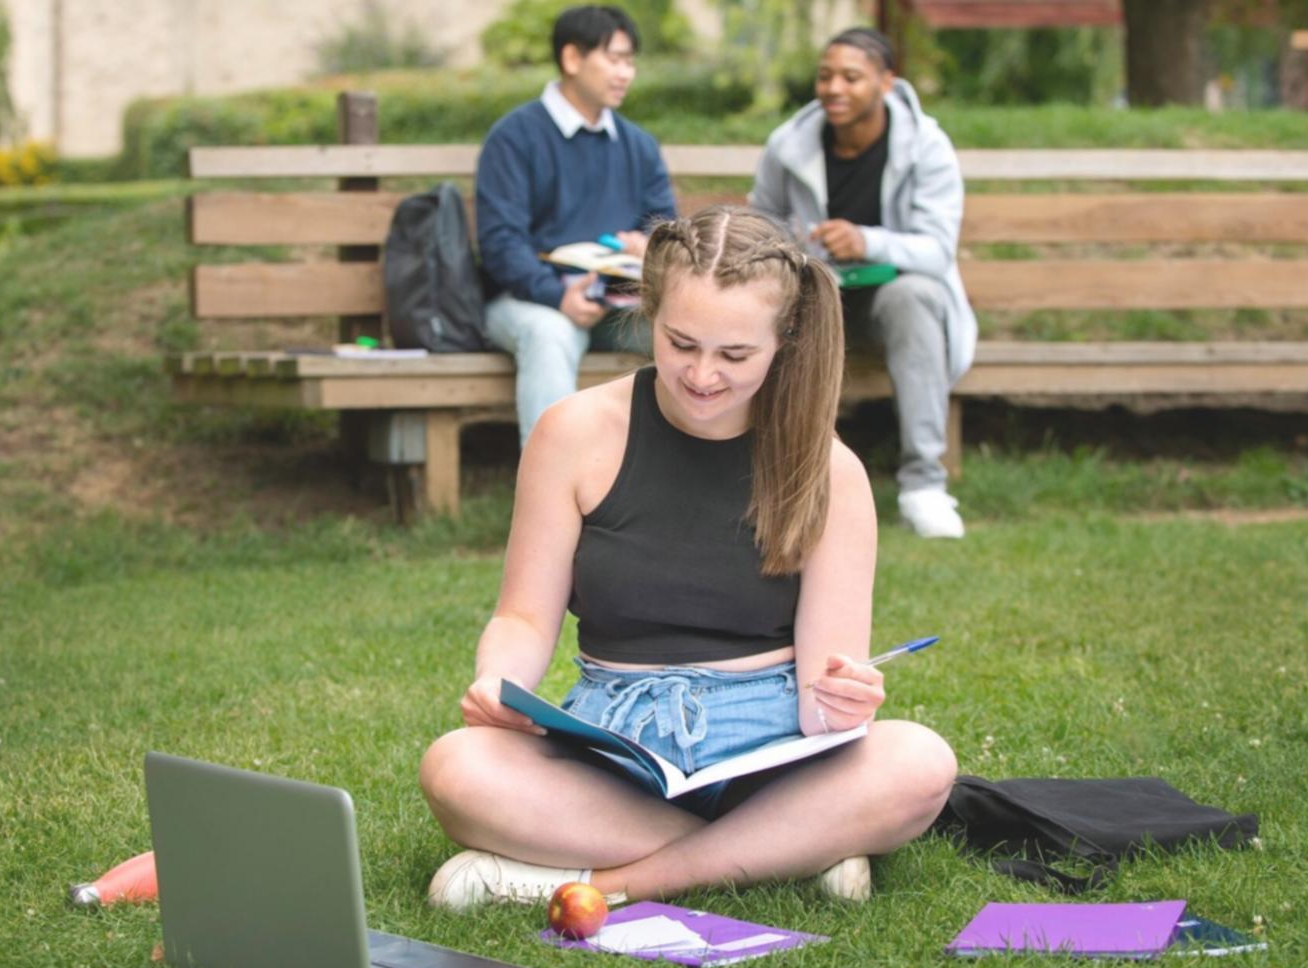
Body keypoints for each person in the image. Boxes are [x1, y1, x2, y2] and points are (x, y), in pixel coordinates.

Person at [418, 206, 957, 910]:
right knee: (456, 766)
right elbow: (522, 615)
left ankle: (600, 884)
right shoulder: (573, 432)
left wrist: (842, 698)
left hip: (771, 750)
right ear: (649, 313)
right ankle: (785, 851)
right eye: (681, 343)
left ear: (783, 338)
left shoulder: (831, 470)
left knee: (917, 762)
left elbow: (824, 697)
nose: (702, 374)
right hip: (613, 750)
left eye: (735, 355)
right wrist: (497, 682)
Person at [750, 27, 977, 539]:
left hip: (890, 307)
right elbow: (759, 227)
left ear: (887, 83)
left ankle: (925, 485)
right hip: (816, 295)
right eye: (825, 76)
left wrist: (866, 242)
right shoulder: (789, 145)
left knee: (913, 295)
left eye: (851, 77)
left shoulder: (927, 147)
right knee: (773, 305)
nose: (834, 88)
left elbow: (937, 249)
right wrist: (797, 247)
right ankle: (782, 482)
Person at [476, 5, 676, 446]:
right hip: (531, 301)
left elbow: (668, 230)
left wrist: (650, 248)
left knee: (688, 329)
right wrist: (556, 294)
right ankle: (551, 496)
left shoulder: (637, 145)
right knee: (549, 335)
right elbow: (500, 243)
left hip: (617, 302)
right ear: (572, 59)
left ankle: (685, 482)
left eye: (630, 61)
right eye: (615, 59)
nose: (627, 72)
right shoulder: (514, 137)